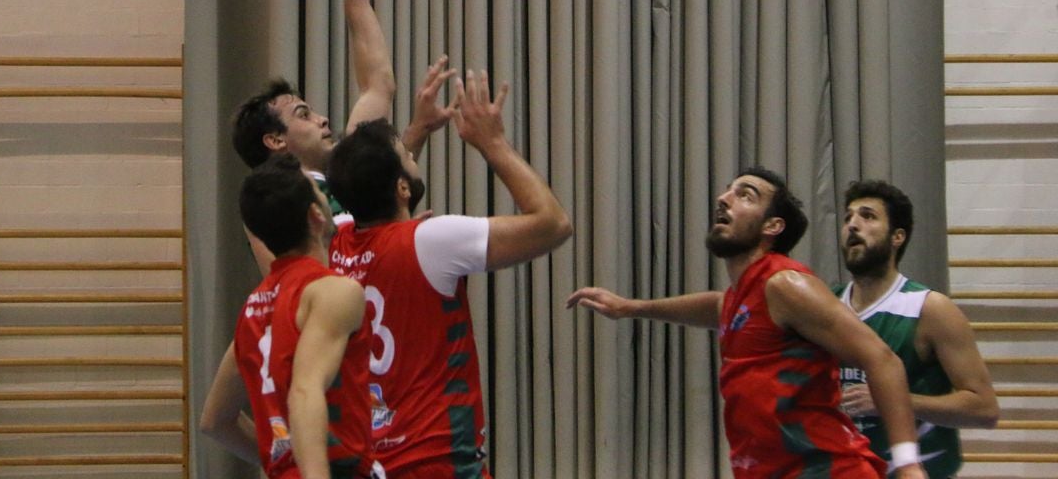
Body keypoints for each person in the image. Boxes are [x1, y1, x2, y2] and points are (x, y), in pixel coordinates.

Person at [567, 168, 929, 479]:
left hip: (825, 469)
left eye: (745, 195)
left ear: (773, 225)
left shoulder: (786, 284)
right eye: (728, 190)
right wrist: (630, 306)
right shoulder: (745, 295)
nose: (724, 198)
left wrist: (908, 464)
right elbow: (715, 305)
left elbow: (882, 359)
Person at [324, 70, 573, 478]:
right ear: (402, 187)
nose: (410, 154)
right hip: (439, 463)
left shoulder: (337, 242)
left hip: (373, 464)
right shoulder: (430, 240)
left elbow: (375, 183)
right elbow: (553, 225)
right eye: (405, 155)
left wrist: (418, 130)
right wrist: (492, 143)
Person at [230, 0, 456, 269]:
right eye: (303, 114)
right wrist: (391, 244)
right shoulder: (268, 200)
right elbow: (294, 283)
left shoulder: (347, 173)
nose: (323, 119)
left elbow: (377, 86)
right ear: (275, 139)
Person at [199, 154, 384, 479]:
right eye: (318, 189)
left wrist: (280, 463)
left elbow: (215, 421)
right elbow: (305, 389)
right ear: (316, 215)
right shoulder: (333, 291)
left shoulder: (252, 310)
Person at [836, 179, 999, 479]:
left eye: (867, 216)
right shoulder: (826, 305)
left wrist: (893, 399)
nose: (852, 225)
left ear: (897, 237)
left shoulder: (930, 309)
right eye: (848, 218)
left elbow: (984, 410)